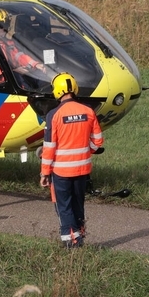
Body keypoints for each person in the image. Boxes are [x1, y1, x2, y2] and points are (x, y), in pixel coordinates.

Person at [40, 72, 104, 248]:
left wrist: (45, 173)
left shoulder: (54, 115)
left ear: (57, 91)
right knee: (78, 204)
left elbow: (49, 148)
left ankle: (72, 244)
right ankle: (80, 235)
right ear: (74, 88)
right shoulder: (88, 111)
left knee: (64, 207)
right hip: (82, 170)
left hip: (61, 172)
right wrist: (85, 151)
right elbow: (98, 142)